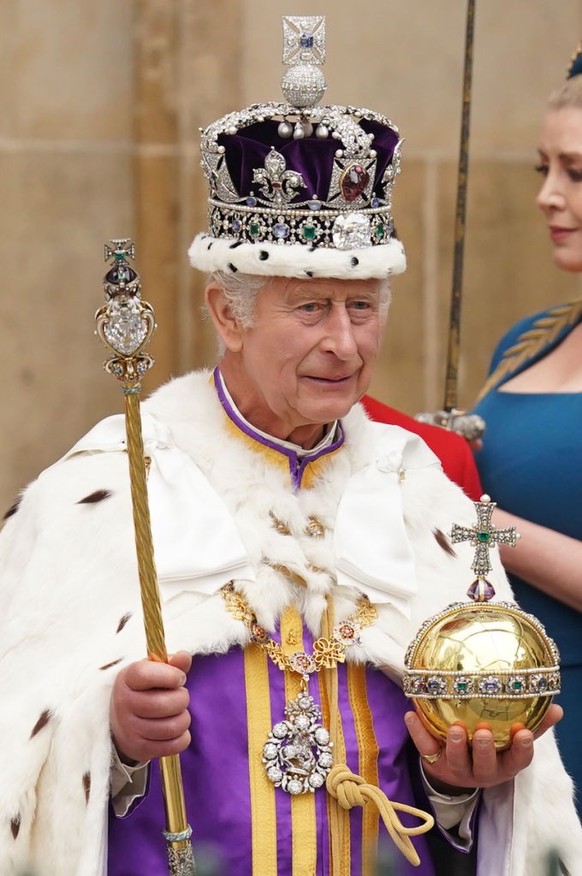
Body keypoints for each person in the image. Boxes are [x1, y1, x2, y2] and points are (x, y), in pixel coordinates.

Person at [1, 16, 580, 876]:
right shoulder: (113, 485)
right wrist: (113, 734)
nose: (345, 344)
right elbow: (22, 736)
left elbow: (464, 808)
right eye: (310, 308)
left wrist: (460, 778)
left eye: (363, 308)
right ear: (226, 314)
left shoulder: (417, 490)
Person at [472, 46, 582, 818]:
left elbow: (474, 515)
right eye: (542, 168)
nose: (547, 196)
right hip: (495, 735)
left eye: (576, 173)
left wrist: (481, 523)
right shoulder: (526, 338)